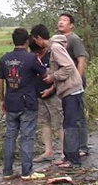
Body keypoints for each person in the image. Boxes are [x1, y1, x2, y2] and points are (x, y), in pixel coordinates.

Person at [0, 28, 48, 180]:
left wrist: (2, 100)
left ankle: (7, 171)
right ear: (27, 41)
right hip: (27, 102)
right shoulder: (31, 58)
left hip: (11, 102)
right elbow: (44, 74)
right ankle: (27, 171)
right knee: (27, 137)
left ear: (13, 41)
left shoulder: (4, 59)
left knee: (10, 137)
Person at [31, 24, 85, 168]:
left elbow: (67, 66)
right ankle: (68, 156)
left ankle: (73, 160)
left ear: (38, 38)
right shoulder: (55, 47)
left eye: (35, 40)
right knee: (67, 123)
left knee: (70, 125)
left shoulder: (55, 48)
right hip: (68, 89)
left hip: (71, 89)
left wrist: (52, 77)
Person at [57, 13, 90, 156]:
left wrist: (78, 79)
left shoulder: (74, 39)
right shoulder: (59, 40)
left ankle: (82, 146)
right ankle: (73, 146)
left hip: (75, 83)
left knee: (78, 115)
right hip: (65, 84)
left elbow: (81, 60)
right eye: (60, 20)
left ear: (71, 25)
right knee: (70, 115)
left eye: (65, 20)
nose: (61, 22)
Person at [28, 36, 64, 163]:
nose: (37, 55)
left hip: (53, 94)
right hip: (38, 95)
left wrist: (52, 89)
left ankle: (65, 151)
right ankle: (48, 151)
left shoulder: (52, 55)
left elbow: (60, 73)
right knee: (44, 123)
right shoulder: (32, 58)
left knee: (58, 122)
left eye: (39, 52)